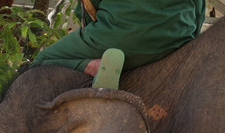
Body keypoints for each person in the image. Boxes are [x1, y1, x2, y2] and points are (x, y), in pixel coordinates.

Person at [32, 0, 206, 79]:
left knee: (40, 62)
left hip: (122, 35)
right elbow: (199, 8)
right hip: (179, 34)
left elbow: (88, 7)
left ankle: (91, 66)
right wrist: (190, 39)